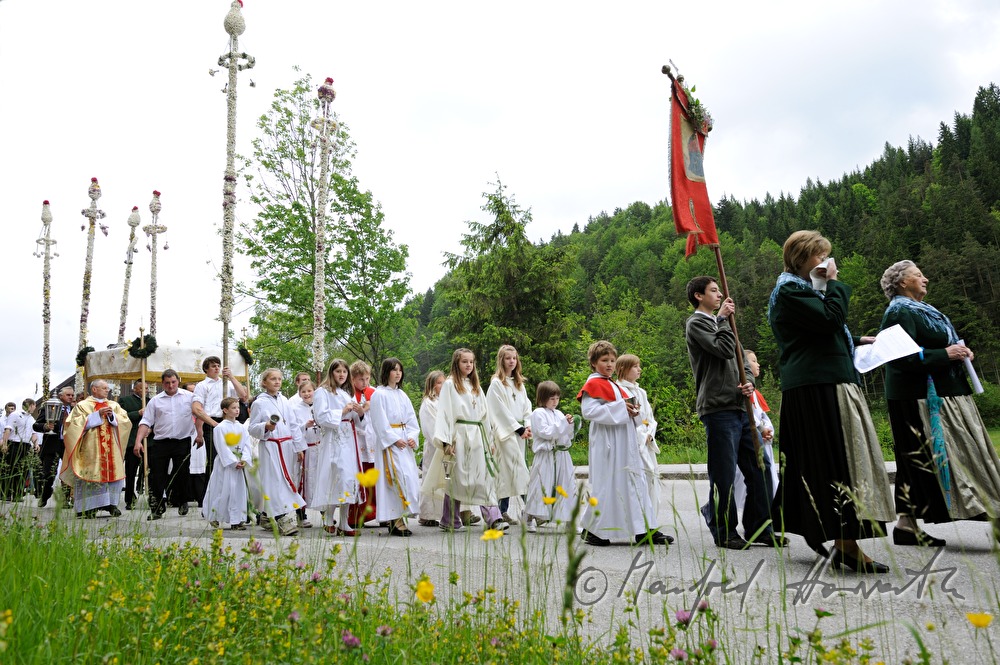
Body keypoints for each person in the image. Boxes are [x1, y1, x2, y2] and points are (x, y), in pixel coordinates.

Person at [768, 230, 893, 573]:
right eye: (819, 258)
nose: (826, 263)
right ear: (801, 259)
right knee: (834, 462)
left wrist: (860, 339)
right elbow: (827, 321)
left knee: (839, 460)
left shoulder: (801, 290)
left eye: (826, 258)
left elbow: (824, 328)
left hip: (823, 383)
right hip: (816, 387)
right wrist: (834, 283)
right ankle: (845, 544)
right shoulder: (790, 289)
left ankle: (843, 541)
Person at [879, 260, 1000, 546]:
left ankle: (906, 525)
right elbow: (899, 356)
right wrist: (945, 354)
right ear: (901, 283)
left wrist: (960, 352)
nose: (926, 279)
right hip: (921, 398)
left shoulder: (923, 310)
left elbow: (940, 346)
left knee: (917, 461)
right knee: (963, 455)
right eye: (918, 275)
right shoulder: (898, 311)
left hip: (944, 394)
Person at [577, 341, 669, 546]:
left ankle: (644, 529)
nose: (609, 364)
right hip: (609, 443)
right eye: (604, 360)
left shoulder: (613, 385)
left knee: (635, 483)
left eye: (612, 360)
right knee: (609, 485)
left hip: (624, 442)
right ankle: (592, 530)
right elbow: (589, 412)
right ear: (593, 363)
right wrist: (621, 408)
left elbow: (629, 410)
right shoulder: (593, 384)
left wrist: (633, 413)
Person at [426, 348, 508, 533]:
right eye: (465, 362)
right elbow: (445, 412)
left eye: (471, 362)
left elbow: (485, 416)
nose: (468, 365)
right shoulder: (449, 385)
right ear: (457, 363)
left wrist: (490, 441)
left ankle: (493, 518)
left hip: (478, 436)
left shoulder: (475, 386)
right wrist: (447, 441)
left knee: (483, 477)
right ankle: (449, 519)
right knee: (457, 478)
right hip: (460, 435)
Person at [247, 368, 307, 537]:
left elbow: (293, 424)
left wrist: (298, 446)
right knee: (275, 482)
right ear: (264, 382)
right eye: (273, 379)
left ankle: (266, 516)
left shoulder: (285, 400)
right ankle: (282, 520)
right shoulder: (259, 403)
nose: (277, 381)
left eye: (279, 379)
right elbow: (252, 428)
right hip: (271, 447)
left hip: (286, 446)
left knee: (287, 481)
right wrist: (265, 426)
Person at [135, 370, 201, 519]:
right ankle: (157, 508)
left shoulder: (190, 398)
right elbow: (146, 422)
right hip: (161, 442)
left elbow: (199, 414)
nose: (170, 385)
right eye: (167, 383)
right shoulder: (155, 401)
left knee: (182, 474)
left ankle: (182, 500)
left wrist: (200, 433)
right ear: (162, 383)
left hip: (182, 441)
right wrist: (138, 441)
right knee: (157, 476)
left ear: (178, 380)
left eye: (173, 382)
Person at [59, 381, 131, 518]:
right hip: (90, 449)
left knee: (113, 474)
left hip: (111, 449)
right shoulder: (82, 406)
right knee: (90, 474)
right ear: (94, 389)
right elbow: (71, 425)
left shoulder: (114, 405)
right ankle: (88, 508)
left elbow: (125, 422)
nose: (107, 391)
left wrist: (112, 416)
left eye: (108, 389)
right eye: (104, 388)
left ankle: (111, 504)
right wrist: (96, 416)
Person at [370, 358, 421, 537]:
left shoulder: (402, 395)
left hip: (404, 442)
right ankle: (395, 519)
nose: (398, 373)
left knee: (410, 479)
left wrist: (412, 437)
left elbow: (411, 421)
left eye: (400, 370)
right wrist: (392, 439)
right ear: (386, 372)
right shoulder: (379, 394)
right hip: (390, 444)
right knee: (394, 478)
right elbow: (378, 422)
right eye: (394, 370)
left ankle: (401, 516)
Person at [312, 360, 363, 535]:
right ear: (331, 373)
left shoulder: (345, 393)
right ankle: (328, 517)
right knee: (336, 475)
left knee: (348, 478)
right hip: (334, 438)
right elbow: (321, 417)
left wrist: (360, 412)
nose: (342, 375)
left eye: (344, 372)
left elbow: (356, 419)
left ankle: (344, 522)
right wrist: (342, 411)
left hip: (349, 439)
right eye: (338, 371)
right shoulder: (322, 392)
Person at [615, 354, 662, 530]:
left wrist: (650, 432)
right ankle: (635, 523)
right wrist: (642, 434)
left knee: (651, 480)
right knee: (635, 483)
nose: (639, 369)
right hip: (632, 443)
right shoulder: (619, 390)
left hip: (646, 442)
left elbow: (648, 418)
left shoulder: (641, 392)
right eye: (635, 366)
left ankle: (650, 522)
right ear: (623, 369)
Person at [487, 344, 532, 525]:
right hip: (506, 434)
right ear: (501, 360)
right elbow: (498, 410)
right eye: (508, 358)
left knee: (518, 470)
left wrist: (527, 426)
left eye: (514, 358)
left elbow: (527, 407)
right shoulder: (497, 384)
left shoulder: (519, 383)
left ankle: (528, 510)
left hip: (520, 434)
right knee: (508, 472)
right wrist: (517, 428)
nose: (511, 361)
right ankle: (512, 510)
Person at [524, 381, 576, 530]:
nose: (555, 402)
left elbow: (566, 435)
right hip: (546, 455)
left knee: (566, 485)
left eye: (557, 398)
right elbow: (546, 433)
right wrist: (563, 425)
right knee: (540, 486)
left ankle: (569, 521)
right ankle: (528, 517)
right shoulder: (537, 413)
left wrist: (570, 424)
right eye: (551, 398)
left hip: (561, 455)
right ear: (542, 398)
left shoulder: (558, 413)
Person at [733, 350, 779, 510]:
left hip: (763, 440)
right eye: (753, 361)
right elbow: (750, 414)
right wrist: (761, 429)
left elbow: (762, 415)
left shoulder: (756, 393)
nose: (758, 364)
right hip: (753, 438)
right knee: (743, 479)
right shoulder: (743, 390)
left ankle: (768, 510)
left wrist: (768, 429)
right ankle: (714, 507)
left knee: (767, 475)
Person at [191, 356, 249, 478]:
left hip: (229, 422)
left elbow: (243, 395)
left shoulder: (227, 383)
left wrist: (231, 377)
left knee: (233, 453)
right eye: (213, 366)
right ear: (206, 369)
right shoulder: (202, 386)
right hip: (213, 422)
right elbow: (197, 409)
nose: (217, 368)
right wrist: (214, 424)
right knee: (215, 457)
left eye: (218, 365)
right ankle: (212, 490)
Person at [202, 397, 252, 529]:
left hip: (239, 465)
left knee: (237, 492)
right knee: (222, 491)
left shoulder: (241, 427)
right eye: (233, 408)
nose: (237, 410)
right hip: (225, 465)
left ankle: (237, 520)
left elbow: (247, 445)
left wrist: (244, 459)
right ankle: (215, 516)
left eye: (237, 408)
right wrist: (233, 462)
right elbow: (222, 447)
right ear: (225, 410)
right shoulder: (220, 428)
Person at [346, 360, 377, 529]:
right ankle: (357, 515)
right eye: (360, 379)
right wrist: (361, 411)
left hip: (374, 439)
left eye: (366, 378)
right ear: (353, 379)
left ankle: (376, 512)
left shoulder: (375, 392)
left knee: (374, 477)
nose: (364, 383)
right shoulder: (350, 396)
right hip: (358, 440)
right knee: (359, 477)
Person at [33, 386, 75, 507]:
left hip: (68, 445)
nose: (71, 397)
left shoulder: (75, 410)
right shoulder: (49, 407)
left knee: (68, 473)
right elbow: (36, 425)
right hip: (52, 445)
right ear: (61, 396)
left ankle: (65, 499)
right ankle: (45, 495)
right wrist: (45, 427)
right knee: (49, 474)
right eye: (68, 395)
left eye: (72, 395)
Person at [290, 380, 320, 529]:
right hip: (305, 448)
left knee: (320, 481)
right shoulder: (295, 408)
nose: (307, 394)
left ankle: (324, 513)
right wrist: (304, 426)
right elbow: (293, 429)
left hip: (319, 448)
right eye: (304, 392)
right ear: (299, 394)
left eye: (309, 391)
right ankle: (301, 515)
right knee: (302, 482)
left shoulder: (320, 406)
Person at [417, 371, 445, 527]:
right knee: (430, 478)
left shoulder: (446, 401)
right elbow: (430, 426)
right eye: (439, 383)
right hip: (435, 445)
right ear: (432, 385)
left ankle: (444, 513)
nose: (442, 385)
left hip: (448, 445)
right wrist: (441, 441)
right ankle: (427, 513)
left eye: (444, 382)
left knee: (444, 480)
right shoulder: (428, 403)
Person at [116, 380, 147, 510]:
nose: (146, 391)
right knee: (131, 470)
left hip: (148, 440)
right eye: (142, 388)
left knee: (149, 470)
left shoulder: (151, 401)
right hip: (132, 440)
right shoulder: (125, 401)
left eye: (147, 388)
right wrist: (138, 413)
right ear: (135, 389)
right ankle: (129, 498)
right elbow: (120, 417)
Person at [1, 398, 38, 502]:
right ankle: (7, 494)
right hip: (14, 444)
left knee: (23, 471)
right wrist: (4, 444)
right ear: (31, 405)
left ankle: (18, 494)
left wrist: (35, 444)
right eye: (34, 406)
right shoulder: (15, 415)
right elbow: (8, 429)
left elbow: (33, 433)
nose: (35, 408)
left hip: (26, 446)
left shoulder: (31, 419)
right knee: (11, 469)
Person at [184, 381, 208, 508]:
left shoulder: (201, 406)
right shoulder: (182, 405)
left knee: (199, 466)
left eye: (194, 392)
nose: (192, 394)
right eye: (190, 391)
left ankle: (200, 497)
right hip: (185, 436)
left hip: (199, 436)